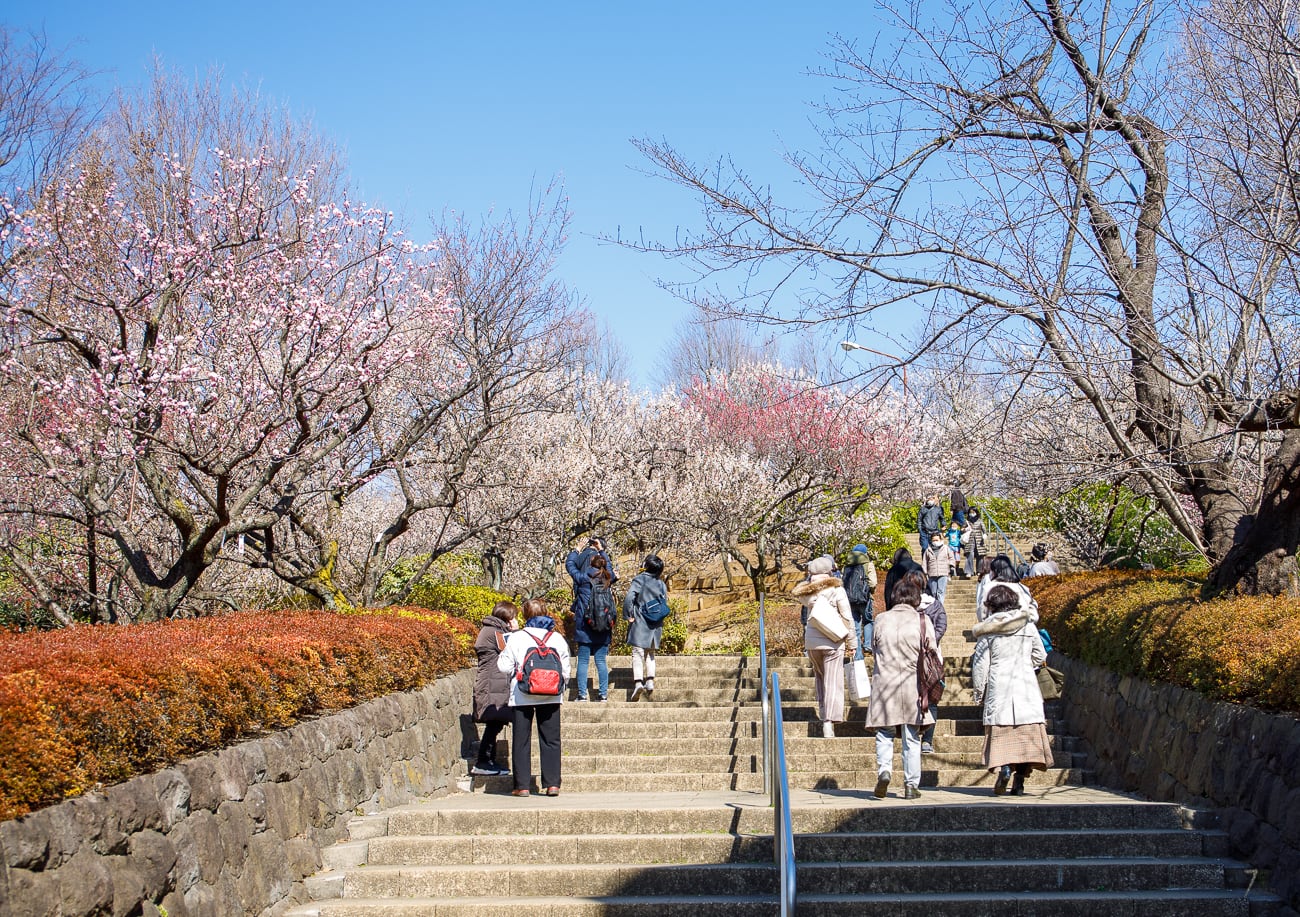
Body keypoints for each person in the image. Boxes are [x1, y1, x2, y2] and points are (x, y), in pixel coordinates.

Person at [971, 584, 1054, 795]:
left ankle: (1005, 768)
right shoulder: (1027, 626)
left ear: (992, 605)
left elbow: (980, 666)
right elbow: (1040, 656)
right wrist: (1027, 665)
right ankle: (1019, 782)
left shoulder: (987, 631)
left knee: (1003, 737)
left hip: (1000, 690)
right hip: (1026, 688)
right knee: (1028, 739)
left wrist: (978, 692)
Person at [864, 574, 937, 799]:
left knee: (884, 733)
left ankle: (884, 770)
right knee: (911, 736)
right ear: (916, 598)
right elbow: (932, 651)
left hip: (884, 684)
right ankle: (910, 784)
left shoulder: (882, 619)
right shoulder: (922, 620)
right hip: (912, 685)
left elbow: (874, 650)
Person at [496, 601, 570, 797]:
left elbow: (503, 666)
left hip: (522, 694)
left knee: (521, 740)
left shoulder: (517, 638)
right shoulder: (557, 638)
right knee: (551, 740)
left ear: (526, 615)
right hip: (551, 695)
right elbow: (565, 668)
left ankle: (522, 785)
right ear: (545, 613)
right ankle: (552, 784)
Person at [793, 555, 856, 737]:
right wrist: (852, 642)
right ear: (830, 571)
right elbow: (847, 618)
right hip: (833, 641)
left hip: (812, 642)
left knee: (820, 678)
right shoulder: (837, 590)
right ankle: (829, 721)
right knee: (833, 680)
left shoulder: (806, 593)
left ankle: (822, 712)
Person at [470, 600, 517, 776]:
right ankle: (483, 761)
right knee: (494, 723)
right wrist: (515, 631)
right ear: (507, 618)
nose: (516, 621)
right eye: (513, 617)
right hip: (492, 684)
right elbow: (513, 650)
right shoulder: (495, 633)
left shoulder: (491, 630)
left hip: (493, 683)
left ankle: (489, 760)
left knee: (495, 724)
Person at [904, 568, 946, 754]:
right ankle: (926, 740)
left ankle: (919, 739)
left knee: (922, 698)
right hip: (932, 656)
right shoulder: (934, 605)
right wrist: (930, 641)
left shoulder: (905, 607)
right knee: (931, 699)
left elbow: (940, 626)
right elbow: (941, 626)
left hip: (913, 656)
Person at [624, 553, 669, 700]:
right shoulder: (661, 584)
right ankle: (650, 681)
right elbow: (664, 602)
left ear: (647, 566)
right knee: (650, 653)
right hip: (656, 623)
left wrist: (628, 614)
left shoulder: (640, 580)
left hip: (641, 621)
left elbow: (629, 597)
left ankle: (638, 682)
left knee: (637, 652)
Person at [573, 555, 614, 701]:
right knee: (601, 661)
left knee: (583, 661)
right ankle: (603, 695)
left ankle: (582, 694)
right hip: (603, 626)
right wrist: (602, 549)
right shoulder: (608, 579)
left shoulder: (583, 578)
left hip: (585, 626)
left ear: (591, 563)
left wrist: (576, 551)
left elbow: (570, 566)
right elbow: (610, 568)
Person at [976, 554, 1040, 623]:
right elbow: (1034, 615)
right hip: (1021, 627)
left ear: (995, 571)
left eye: (991, 570)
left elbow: (982, 615)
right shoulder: (1022, 587)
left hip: (997, 628)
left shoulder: (989, 587)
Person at [840, 544, 878, 659]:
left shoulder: (846, 566)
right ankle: (868, 645)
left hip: (850, 600)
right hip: (865, 599)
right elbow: (873, 583)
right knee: (868, 621)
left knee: (855, 626)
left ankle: (858, 656)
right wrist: (869, 591)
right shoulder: (868, 565)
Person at [922, 532, 955, 603]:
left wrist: (952, 566)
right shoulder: (928, 550)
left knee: (941, 592)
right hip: (932, 574)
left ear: (940, 539)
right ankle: (935, 607)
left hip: (943, 573)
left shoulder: (946, 548)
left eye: (936, 540)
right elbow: (924, 562)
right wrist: (924, 572)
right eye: (933, 540)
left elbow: (951, 558)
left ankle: (940, 607)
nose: (935, 542)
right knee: (933, 592)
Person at [964, 507, 988, 578]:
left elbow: (984, 530)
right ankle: (969, 571)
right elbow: (962, 530)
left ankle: (979, 571)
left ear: (976, 512)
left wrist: (985, 534)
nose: (972, 514)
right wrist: (965, 529)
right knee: (970, 555)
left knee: (980, 556)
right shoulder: (967, 521)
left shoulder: (980, 521)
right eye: (970, 512)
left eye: (973, 512)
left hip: (979, 540)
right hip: (970, 540)